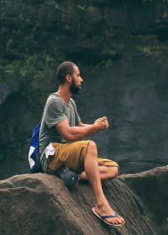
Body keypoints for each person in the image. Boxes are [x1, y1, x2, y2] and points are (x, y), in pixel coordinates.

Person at [38, 61, 125, 226]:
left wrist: (96, 125)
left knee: (113, 168)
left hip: (67, 153)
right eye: (78, 75)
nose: (82, 79)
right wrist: (94, 128)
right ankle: (101, 204)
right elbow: (68, 133)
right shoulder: (54, 101)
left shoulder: (71, 103)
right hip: (51, 155)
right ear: (69, 78)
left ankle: (72, 175)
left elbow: (78, 126)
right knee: (89, 146)